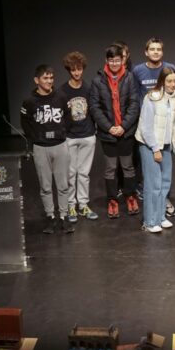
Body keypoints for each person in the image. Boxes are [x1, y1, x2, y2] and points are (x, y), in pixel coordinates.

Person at [20, 65, 74, 234]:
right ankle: (50, 217)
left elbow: (68, 117)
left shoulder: (61, 97)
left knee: (63, 184)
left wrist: (62, 133)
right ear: (37, 80)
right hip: (41, 148)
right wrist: (35, 138)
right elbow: (25, 122)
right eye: (45, 78)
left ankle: (64, 217)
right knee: (45, 186)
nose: (49, 81)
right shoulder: (29, 102)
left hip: (60, 146)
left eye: (51, 78)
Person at [90, 44, 141, 219]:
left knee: (128, 166)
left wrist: (123, 126)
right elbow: (95, 107)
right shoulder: (98, 80)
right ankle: (112, 200)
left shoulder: (130, 78)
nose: (114, 63)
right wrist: (109, 127)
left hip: (125, 132)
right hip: (108, 133)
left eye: (117, 60)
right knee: (111, 168)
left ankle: (130, 196)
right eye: (111, 60)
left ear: (122, 60)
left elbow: (134, 104)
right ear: (106, 60)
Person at [131, 38, 175, 216]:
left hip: (165, 127)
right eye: (152, 49)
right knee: (151, 176)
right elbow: (135, 96)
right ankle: (151, 215)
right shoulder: (138, 71)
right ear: (146, 52)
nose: (156, 52)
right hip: (148, 126)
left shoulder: (170, 68)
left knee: (165, 175)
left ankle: (162, 203)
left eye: (159, 49)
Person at [135, 67, 175, 233]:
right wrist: (155, 149)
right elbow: (146, 128)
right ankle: (149, 221)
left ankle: (160, 217)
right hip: (150, 145)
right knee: (153, 184)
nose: (172, 84)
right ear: (162, 81)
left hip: (166, 145)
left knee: (165, 183)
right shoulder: (151, 98)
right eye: (169, 81)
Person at [61, 51, 98, 222]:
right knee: (70, 173)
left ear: (83, 69)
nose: (77, 72)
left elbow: (94, 110)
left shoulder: (89, 88)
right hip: (70, 137)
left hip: (87, 135)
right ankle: (70, 205)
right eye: (73, 70)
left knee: (84, 173)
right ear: (69, 70)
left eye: (79, 69)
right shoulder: (62, 91)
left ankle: (83, 204)